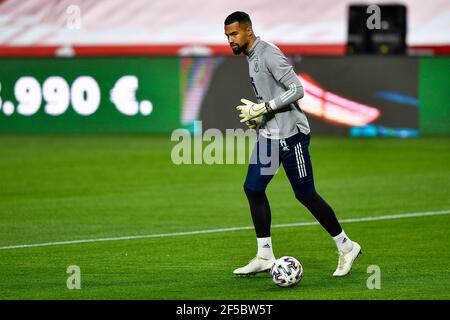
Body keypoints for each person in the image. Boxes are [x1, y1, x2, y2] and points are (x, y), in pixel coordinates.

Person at [224, 11, 361, 277]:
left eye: (234, 33)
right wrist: (260, 116)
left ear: (248, 31)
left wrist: (265, 107)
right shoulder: (251, 57)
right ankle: (264, 255)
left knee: (305, 194)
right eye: (228, 35)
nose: (230, 39)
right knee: (253, 188)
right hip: (269, 136)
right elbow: (271, 95)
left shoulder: (268, 53)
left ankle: (347, 246)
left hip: (291, 136)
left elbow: (297, 89)